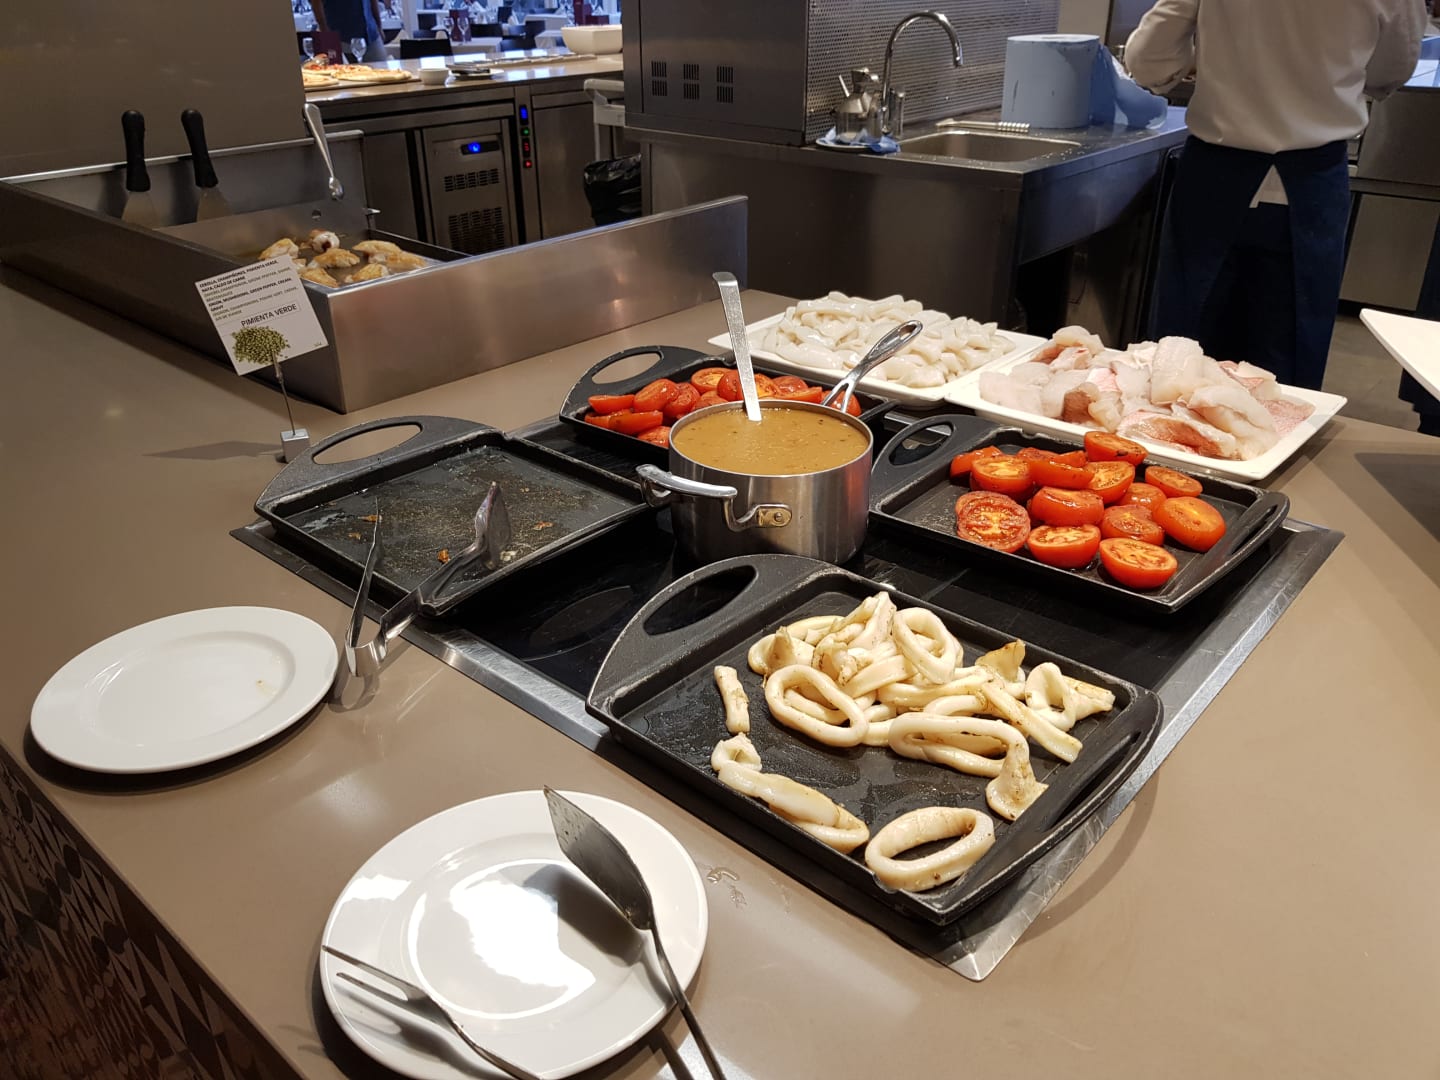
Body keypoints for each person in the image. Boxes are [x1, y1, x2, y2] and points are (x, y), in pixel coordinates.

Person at [1126, 0, 1427, 390]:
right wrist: (1331, 76)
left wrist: (1206, 60)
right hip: (1312, 180)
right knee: (1289, 359)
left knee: (1183, 353)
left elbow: (1149, 60)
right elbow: (1392, 68)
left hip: (1215, 176)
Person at [312, 0, 388, 62]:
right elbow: (316, 3)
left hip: (371, 33)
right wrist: (326, 34)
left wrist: (379, 26)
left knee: (382, 70)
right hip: (342, 36)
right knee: (345, 73)